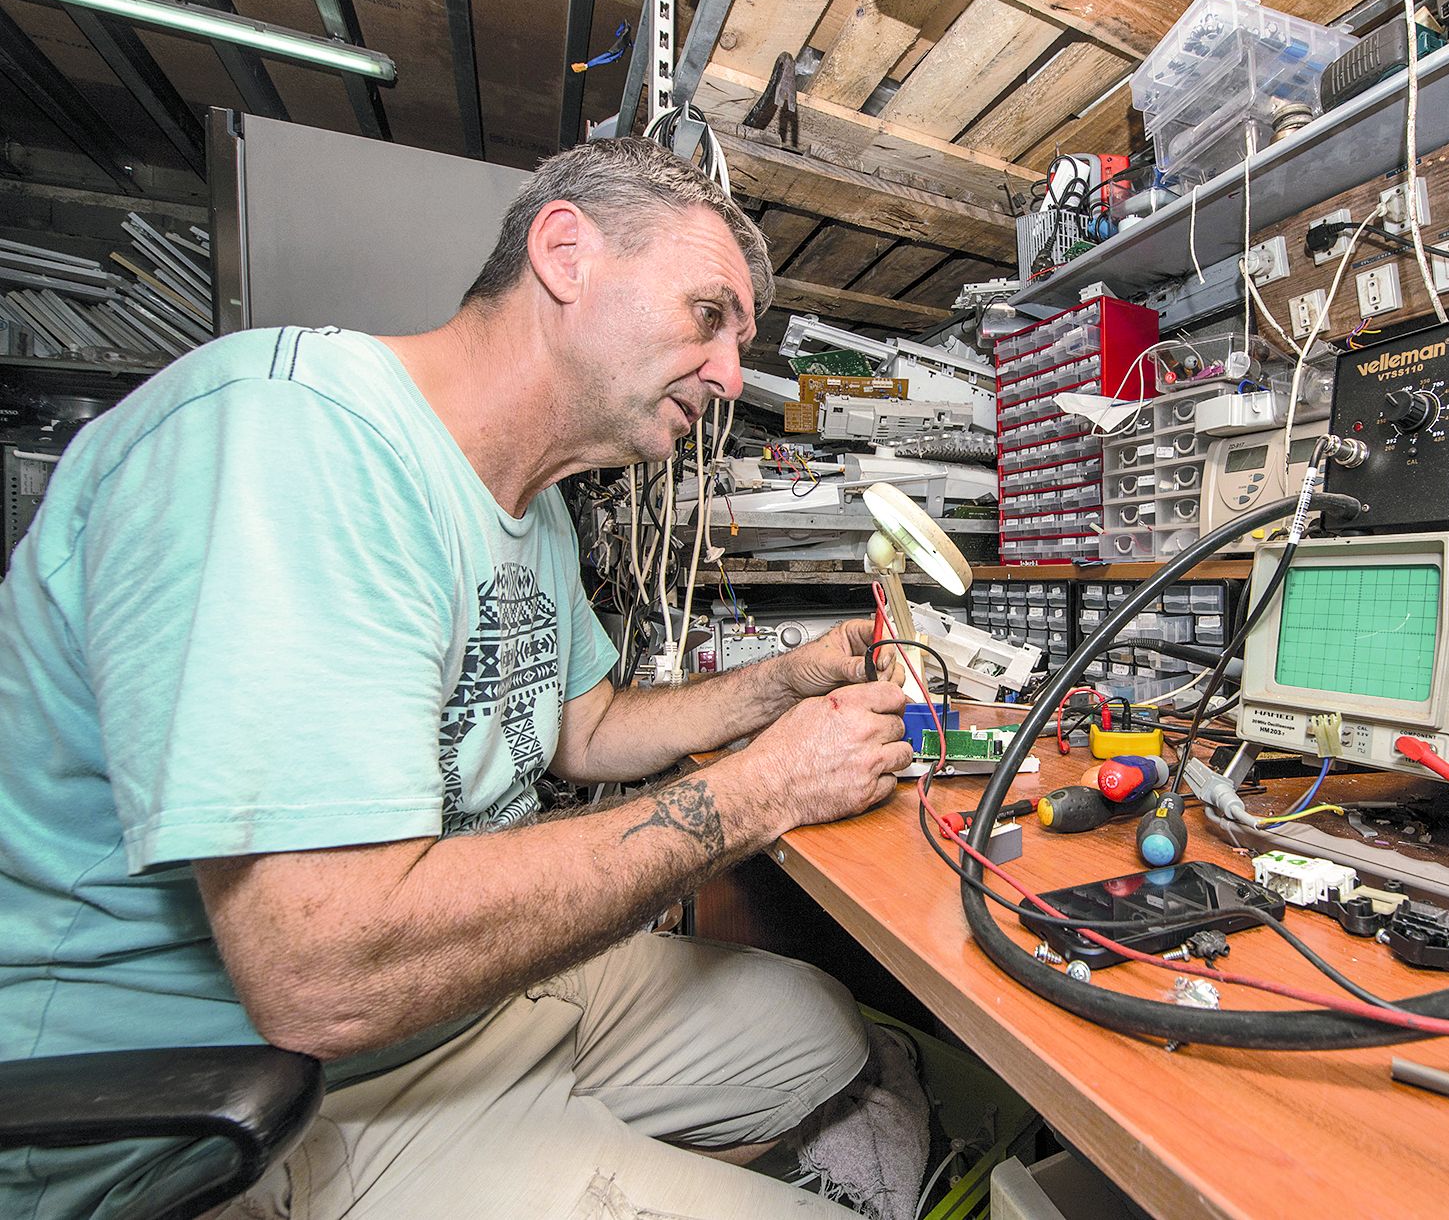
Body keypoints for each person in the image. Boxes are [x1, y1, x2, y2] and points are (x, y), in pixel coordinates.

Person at [0, 137, 916, 1219]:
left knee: (820, 1029)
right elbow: (319, 972)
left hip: (463, 992)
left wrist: (788, 681)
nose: (729, 378)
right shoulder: (293, 439)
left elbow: (587, 729)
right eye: (709, 315)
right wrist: (762, 792)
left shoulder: (531, 503)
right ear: (566, 254)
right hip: (265, 1079)